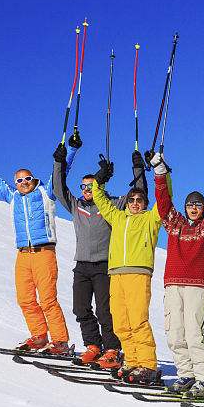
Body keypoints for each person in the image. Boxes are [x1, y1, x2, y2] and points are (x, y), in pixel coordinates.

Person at [0, 142, 70, 354]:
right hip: (23, 255)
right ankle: (39, 336)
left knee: (48, 299)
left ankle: (60, 342)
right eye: (19, 180)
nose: (23, 183)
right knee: (25, 298)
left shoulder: (45, 193)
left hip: (44, 252)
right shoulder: (12, 197)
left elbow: (61, 174)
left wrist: (67, 154)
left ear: (34, 179)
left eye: (27, 179)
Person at [52, 136, 146, 368]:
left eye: (91, 185)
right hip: (82, 265)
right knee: (80, 308)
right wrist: (58, 163)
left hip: (105, 266)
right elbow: (57, 187)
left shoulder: (112, 205)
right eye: (83, 186)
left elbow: (140, 194)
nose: (87, 189)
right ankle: (93, 345)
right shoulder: (76, 206)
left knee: (106, 311)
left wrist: (138, 167)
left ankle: (112, 348)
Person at [152, 150, 204, 399]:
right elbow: (163, 204)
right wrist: (160, 174)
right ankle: (186, 375)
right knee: (174, 332)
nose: (194, 208)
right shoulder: (175, 225)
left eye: (198, 205)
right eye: (190, 205)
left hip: (198, 286)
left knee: (194, 333)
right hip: (173, 284)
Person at [89, 157, 164, 385]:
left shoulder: (151, 219)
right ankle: (132, 361)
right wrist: (98, 180)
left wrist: (161, 173)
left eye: (139, 199)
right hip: (116, 274)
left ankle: (147, 365)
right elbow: (99, 199)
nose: (134, 202)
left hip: (138, 274)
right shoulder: (118, 217)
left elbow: (164, 200)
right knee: (120, 321)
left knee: (138, 320)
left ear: (145, 202)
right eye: (131, 199)